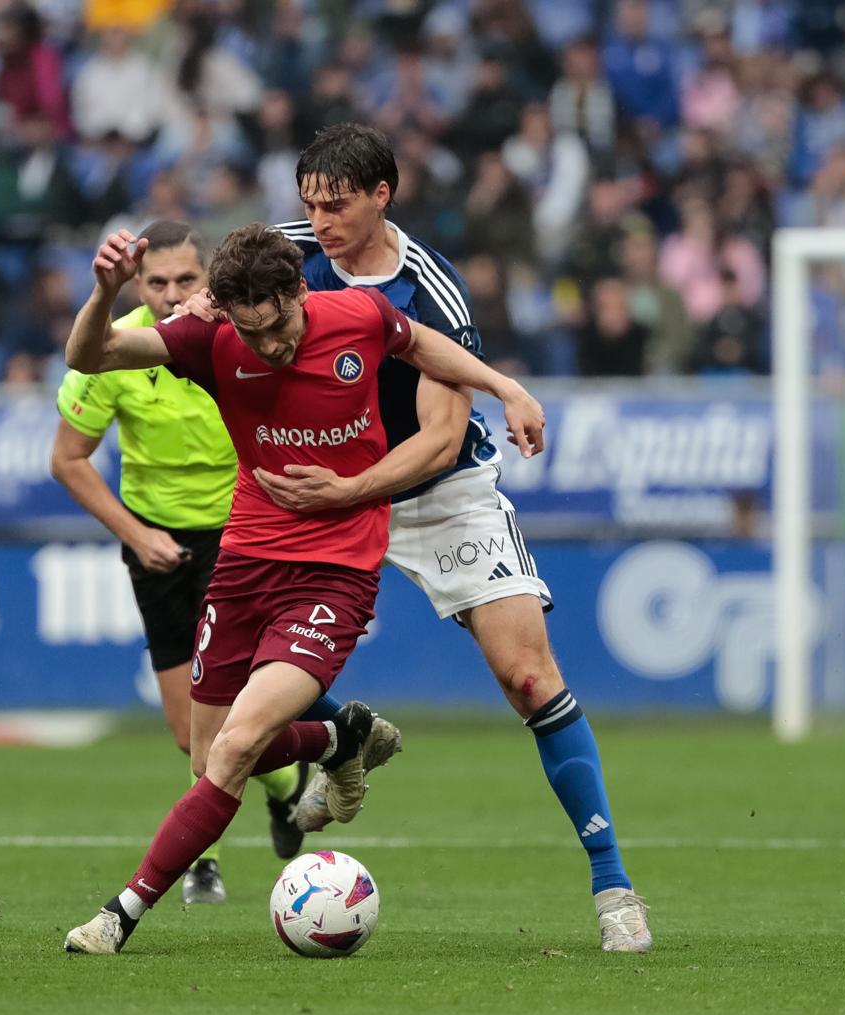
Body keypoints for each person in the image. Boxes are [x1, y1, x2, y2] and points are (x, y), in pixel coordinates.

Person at [61, 223, 545, 954]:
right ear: (226, 313)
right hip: (246, 564)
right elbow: (89, 354)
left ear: (298, 292)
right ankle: (339, 733)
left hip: (335, 571)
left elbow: (425, 343)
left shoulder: (354, 314)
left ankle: (119, 912)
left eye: (280, 324)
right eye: (253, 334)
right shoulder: (211, 340)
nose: (274, 347)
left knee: (234, 749)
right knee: (211, 756)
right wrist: (102, 291)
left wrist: (506, 386)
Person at [270, 123, 653, 951]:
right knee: (251, 669)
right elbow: (211, 299)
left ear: (383, 195)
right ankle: (347, 738)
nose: (320, 220)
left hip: (440, 494)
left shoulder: (432, 291)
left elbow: (441, 441)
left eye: (336, 205)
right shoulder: (283, 252)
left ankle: (614, 884)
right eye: (310, 204)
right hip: (330, 489)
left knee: (527, 675)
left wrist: (349, 489)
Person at [49, 220, 308, 904]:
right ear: (138, 284)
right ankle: (288, 786)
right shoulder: (122, 348)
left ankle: (203, 862)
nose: (170, 295)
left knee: (238, 714)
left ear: (210, 278)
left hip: (242, 533)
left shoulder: (238, 332)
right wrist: (136, 535)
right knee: (187, 728)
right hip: (158, 544)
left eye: (185, 281)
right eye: (157, 282)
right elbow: (67, 460)